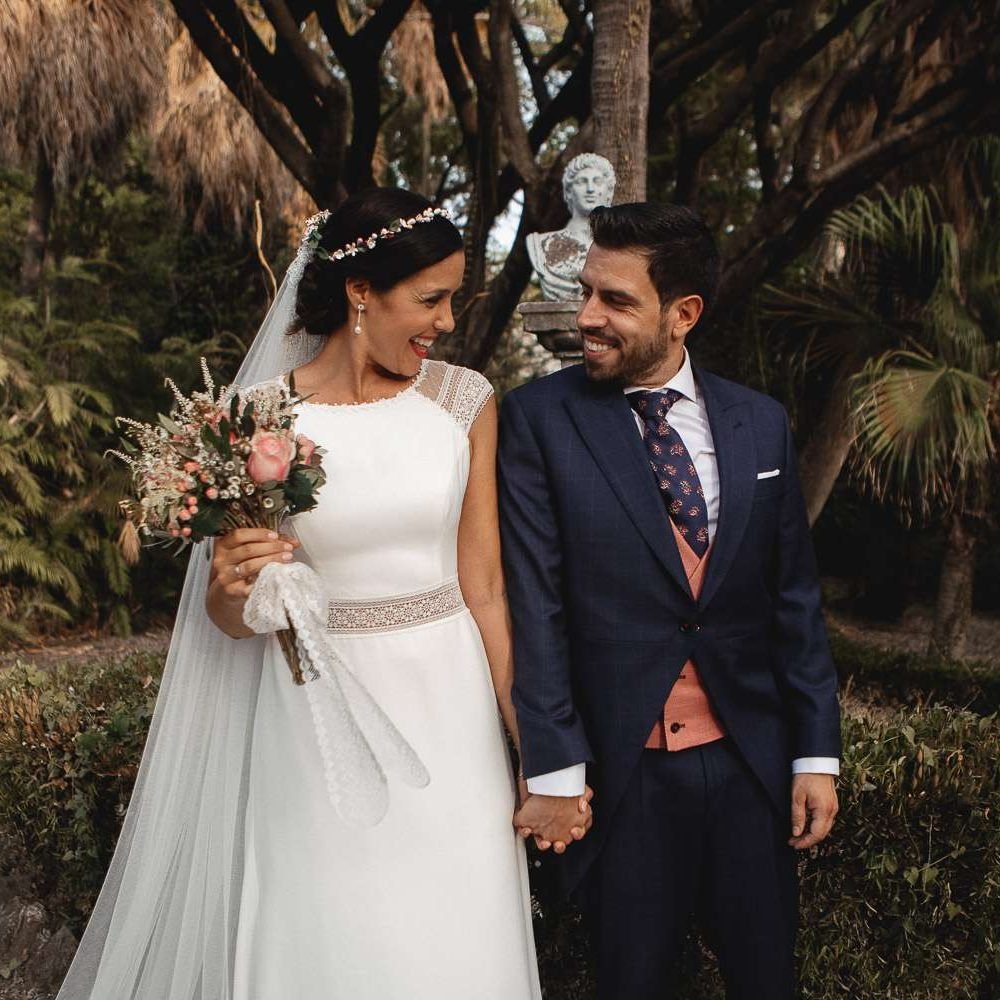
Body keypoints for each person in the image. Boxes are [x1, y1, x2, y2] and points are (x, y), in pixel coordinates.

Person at [57, 188, 581, 999]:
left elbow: (486, 591)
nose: (445, 321)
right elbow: (229, 619)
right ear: (361, 291)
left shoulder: (464, 402)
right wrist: (233, 589)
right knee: (329, 931)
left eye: (453, 299)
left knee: (453, 936)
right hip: (312, 714)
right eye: (431, 298)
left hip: (451, 720)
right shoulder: (255, 418)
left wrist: (540, 758)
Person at [501, 202, 841, 999]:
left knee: (768, 981)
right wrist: (553, 766)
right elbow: (535, 605)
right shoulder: (536, 421)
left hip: (749, 763)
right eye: (588, 291)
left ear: (683, 313)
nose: (587, 316)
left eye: (615, 301)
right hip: (627, 777)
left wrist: (815, 756)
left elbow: (793, 599)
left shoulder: (760, 423)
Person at [526, 152, 616, 300]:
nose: (590, 189)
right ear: (568, 192)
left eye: (597, 181)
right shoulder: (540, 245)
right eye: (582, 181)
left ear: (609, 192)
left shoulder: (620, 248)